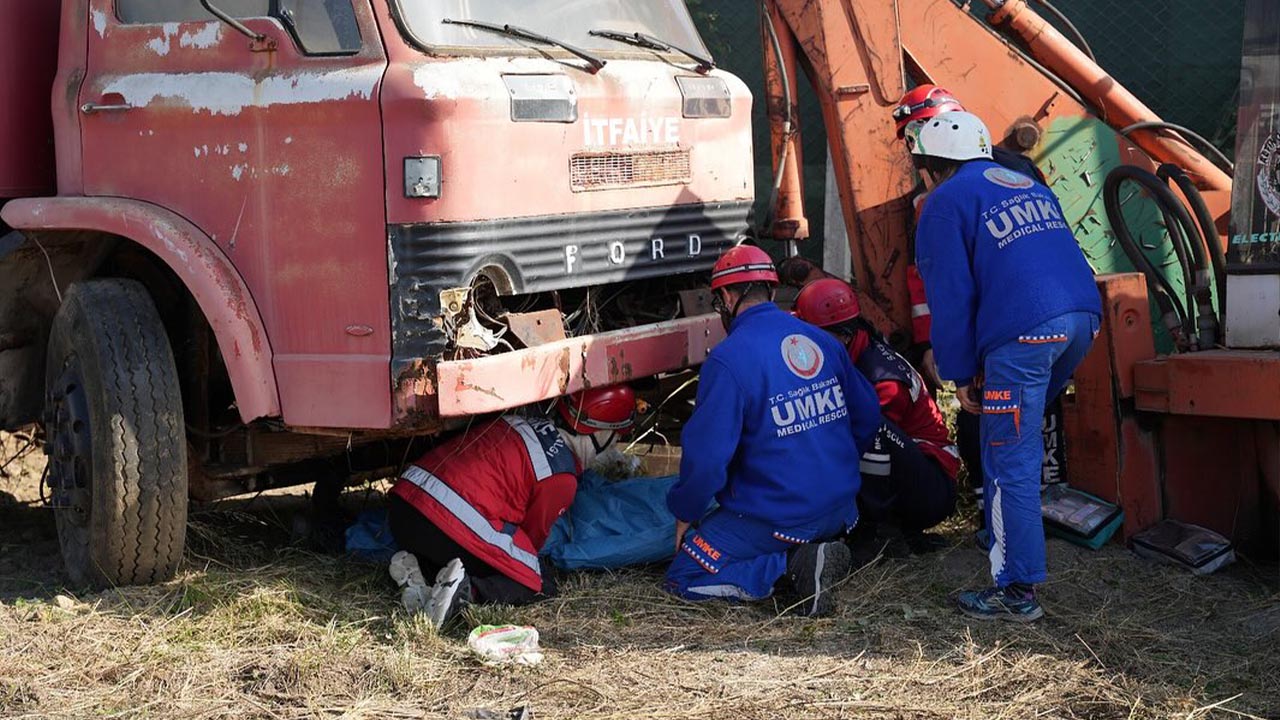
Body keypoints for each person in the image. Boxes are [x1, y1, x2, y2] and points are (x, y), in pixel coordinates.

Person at [908, 111, 1101, 622]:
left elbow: (950, 296)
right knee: (1015, 440)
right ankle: (1005, 535)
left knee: (1006, 458)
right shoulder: (1025, 182)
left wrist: (959, 372)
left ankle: (1016, 589)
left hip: (1026, 334)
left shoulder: (944, 202)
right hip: (1081, 321)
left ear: (930, 166)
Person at [665, 245, 882, 617]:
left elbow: (707, 460)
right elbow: (868, 415)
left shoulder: (728, 360)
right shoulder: (823, 340)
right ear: (770, 288)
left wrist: (686, 512)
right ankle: (815, 550)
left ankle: (791, 568)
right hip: (843, 510)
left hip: (783, 519)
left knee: (684, 574)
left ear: (727, 298)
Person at [892, 85, 1058, 528]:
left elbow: (938, 283)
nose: (914, 155)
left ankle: (1003, 524)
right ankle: (1013, 506)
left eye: (914, 137)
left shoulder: (942, 195)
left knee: (982, 408)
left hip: (999, 322)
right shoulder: (1018, 172)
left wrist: (945, 352)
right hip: (1057, 312)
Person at [387, 384, 637, 628]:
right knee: (535, 581)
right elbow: (532, 537)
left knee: (484, 551)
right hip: (445, 517)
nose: (613, 448)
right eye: (616, 439)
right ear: (601, 433)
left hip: (405, 505)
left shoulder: (520, 422)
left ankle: (421, 575)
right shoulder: (560, 476)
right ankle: (465, 592)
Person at [794, 278, 959, 550]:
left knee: (869, 425)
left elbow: (850, 445)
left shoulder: (883, 380)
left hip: (932, 486)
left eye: (812, 334)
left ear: (843, 335)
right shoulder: (853, 350)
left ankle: (877, 529)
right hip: (909, 471)